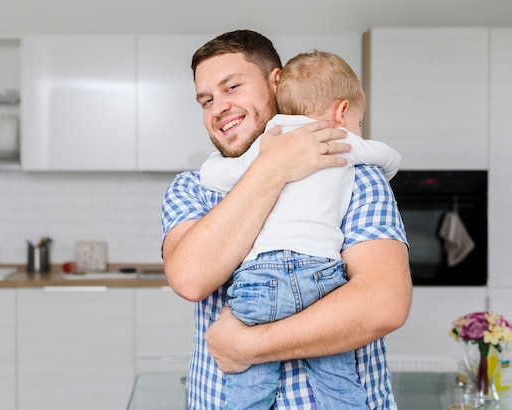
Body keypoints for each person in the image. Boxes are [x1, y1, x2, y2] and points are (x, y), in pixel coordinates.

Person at [161, 30, 412, 409]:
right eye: (206, 100)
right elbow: (191, 278)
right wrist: (273, 167)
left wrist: (246, 345)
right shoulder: (192, 188)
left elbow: (383, 304)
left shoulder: (353, 173)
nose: (217, 108)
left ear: (275, 82)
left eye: (232, 87)